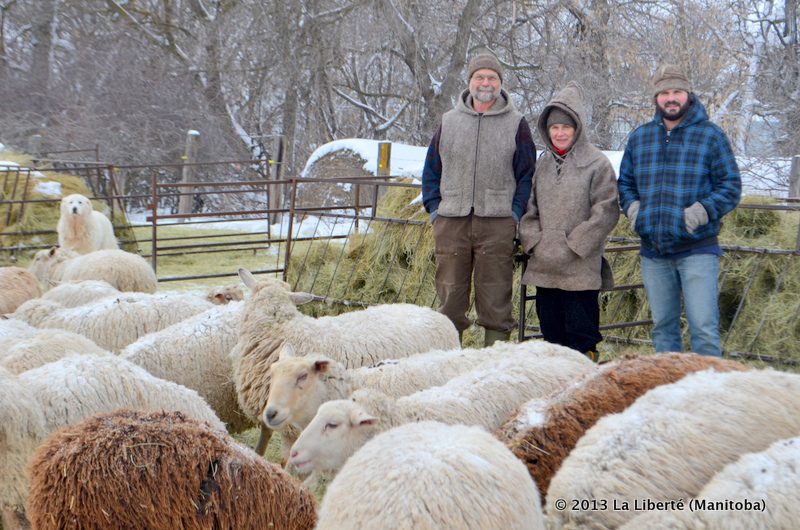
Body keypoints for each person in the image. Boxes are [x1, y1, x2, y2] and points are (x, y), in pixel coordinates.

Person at [617, 64, 741, 357]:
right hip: (654, 252)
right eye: (664, 93)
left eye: (677, 92)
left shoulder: (711, 136)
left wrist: (697, 214)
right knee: (662, 327)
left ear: (688, 95)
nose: (670, 98)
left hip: (697, 249)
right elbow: (625, 184)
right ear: (656, 98)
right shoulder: (640, 137)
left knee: (704, 328)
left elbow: (731, 186)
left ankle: (707, 396)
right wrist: (636, 212)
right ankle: (669, 395)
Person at [422, 52, 536, 346]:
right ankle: (448, 359)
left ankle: (491, 362)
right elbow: (432, 169)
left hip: (497, 222)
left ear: (500, 83)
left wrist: (514, 213)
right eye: (479, 77)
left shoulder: (516, 124)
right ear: (469, 81)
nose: (485, 83)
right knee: (450, 293)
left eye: (492, 78)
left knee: (496, 295)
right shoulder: (449, 121)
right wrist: (435, 209)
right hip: (452, 221)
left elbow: (527, 175)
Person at [518, 82, 619, 361]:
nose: (560, 133)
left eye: (566, 127)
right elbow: (530, 208)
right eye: (554, 128)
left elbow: (607, 209)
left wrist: (575, 244)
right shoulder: (543, 164)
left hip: (579, 265)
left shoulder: (597, 164)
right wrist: (534, 240)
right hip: (546, 264)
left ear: (577, 128)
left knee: (581, 334)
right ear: (547, 131)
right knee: (551, 333)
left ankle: (585, 383)